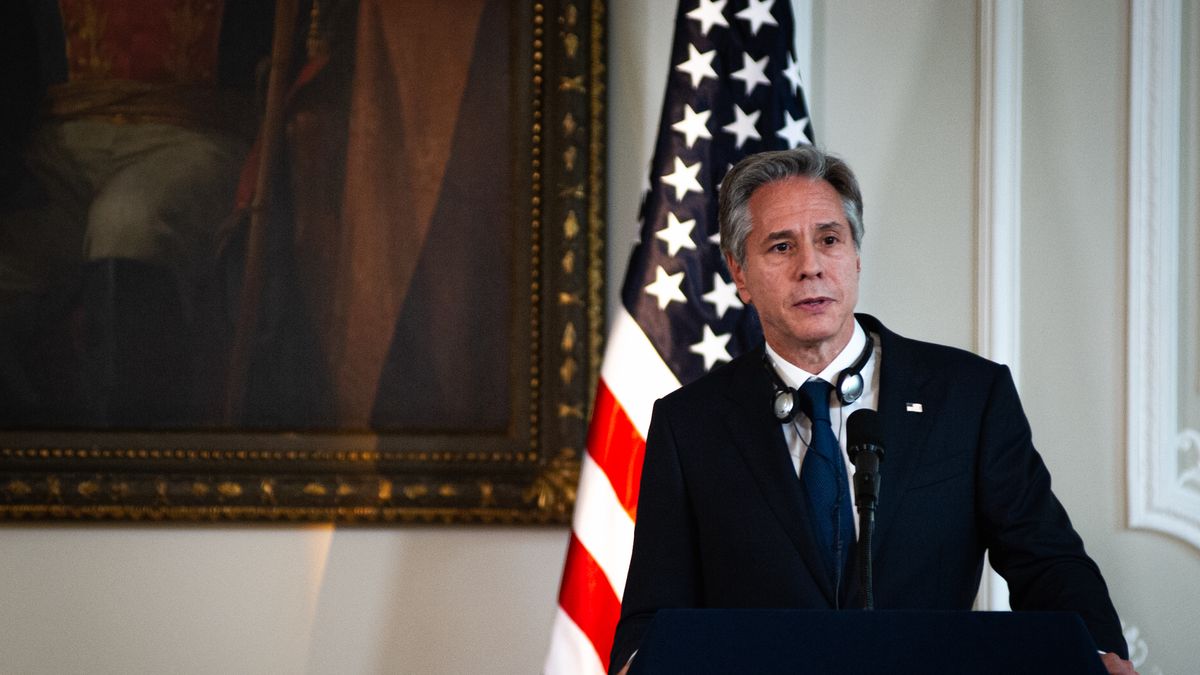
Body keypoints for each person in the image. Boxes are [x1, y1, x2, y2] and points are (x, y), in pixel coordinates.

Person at [610, 146, 1136, 675]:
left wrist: (1094, 658)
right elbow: (654, 613)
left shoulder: (969, 396)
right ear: (740, 274)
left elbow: (1047, 562)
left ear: (856, 255)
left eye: (829, 240)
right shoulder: (689, 424)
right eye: (780, 246)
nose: (810, 266)